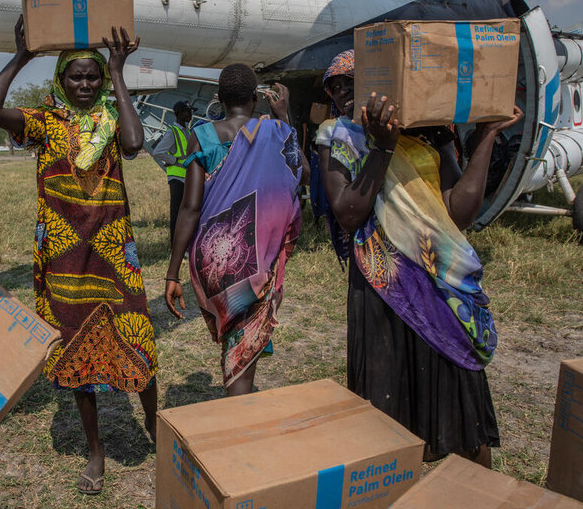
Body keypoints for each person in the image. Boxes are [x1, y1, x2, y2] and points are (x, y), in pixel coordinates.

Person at [315, 49, 523, 466]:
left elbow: (458, 212)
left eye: (352, 81)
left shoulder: (431, 133)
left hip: (439, 284)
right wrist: (382, 147)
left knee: (462, 413)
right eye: (335, 87)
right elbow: (349, 214)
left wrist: (485, 137)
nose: (342, 93)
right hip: (384, 290)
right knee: (385, 420)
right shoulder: (337, 135)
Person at [0, 17, 156, 495]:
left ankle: (156, 428)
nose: (84, 84)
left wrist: (119, 73)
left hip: (114, 251)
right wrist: (20, 57)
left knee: (137, 334)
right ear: (61, 79)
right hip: (63, 254)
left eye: (92, 76)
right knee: (76, 346)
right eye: (75, 76)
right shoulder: (44, 122)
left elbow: (136, 145)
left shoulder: (113, 119)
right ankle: (96, 452)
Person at [164, 64, 307, 396]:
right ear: (255, 97)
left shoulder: (201, 136)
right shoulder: (276, 132)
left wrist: (173, 273)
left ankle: (239, 403)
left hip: (213, 258)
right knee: (241, 352)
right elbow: (301, 172)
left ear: (220, 98)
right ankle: (237, 423)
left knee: (236, 340)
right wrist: (284, 118)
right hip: (254, 257)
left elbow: (190, 208)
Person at [150, 101, 192, 246]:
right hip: (177, 177)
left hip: (186, 177)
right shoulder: (173, 132)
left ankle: (184, 244)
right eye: (187, 111)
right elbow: (158, 151)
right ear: (179, 113)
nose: (190, 114)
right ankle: (175, 245)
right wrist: (174, 160)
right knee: (177, 213)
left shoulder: (187, 131)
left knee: (184, 212)